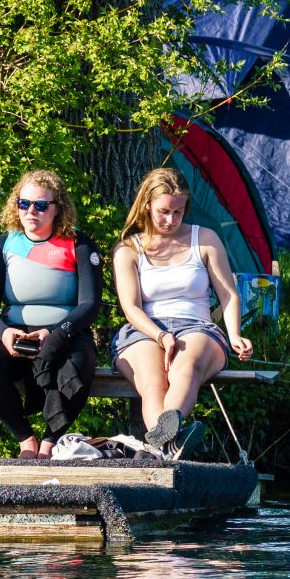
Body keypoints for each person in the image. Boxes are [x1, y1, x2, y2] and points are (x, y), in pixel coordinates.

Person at [111, 167, 256, 455]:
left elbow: (228, 294)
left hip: (197, 326)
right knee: (152, 381)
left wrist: (235, 334)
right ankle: (169, 445)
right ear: (147, 205)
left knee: (185, 367)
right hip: (144, 329)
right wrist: (161, 335)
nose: (171, 220)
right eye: (164, 211)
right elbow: (131, 308)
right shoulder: (128, 249)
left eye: (178, 212)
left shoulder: (206, 239)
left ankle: (163, 444)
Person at [0, 170, 105, 459]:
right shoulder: (2, 245)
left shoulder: (79, 244)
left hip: (65, 332)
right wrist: (5, 333)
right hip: (16, 332)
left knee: (80, 363)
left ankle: (49, 443)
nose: (31, 211)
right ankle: (26, 439)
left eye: (41, 205)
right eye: (24, 203)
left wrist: (55, 333)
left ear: (57, 208)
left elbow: (90, 304)